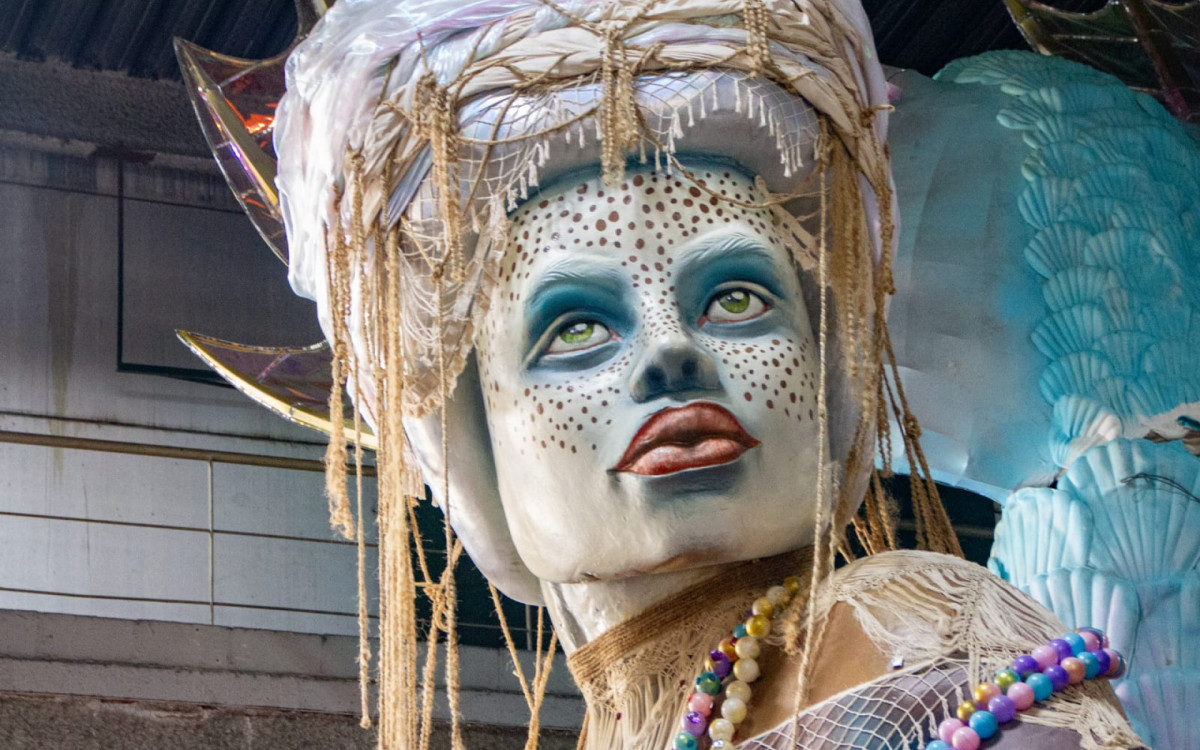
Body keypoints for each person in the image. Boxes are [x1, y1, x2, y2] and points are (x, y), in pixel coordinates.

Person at [212, 0, 1150, 747]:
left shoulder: (900, 634)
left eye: (737, 299)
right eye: (576, 325)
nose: (672, 350)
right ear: (468, 439)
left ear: (832, 375)